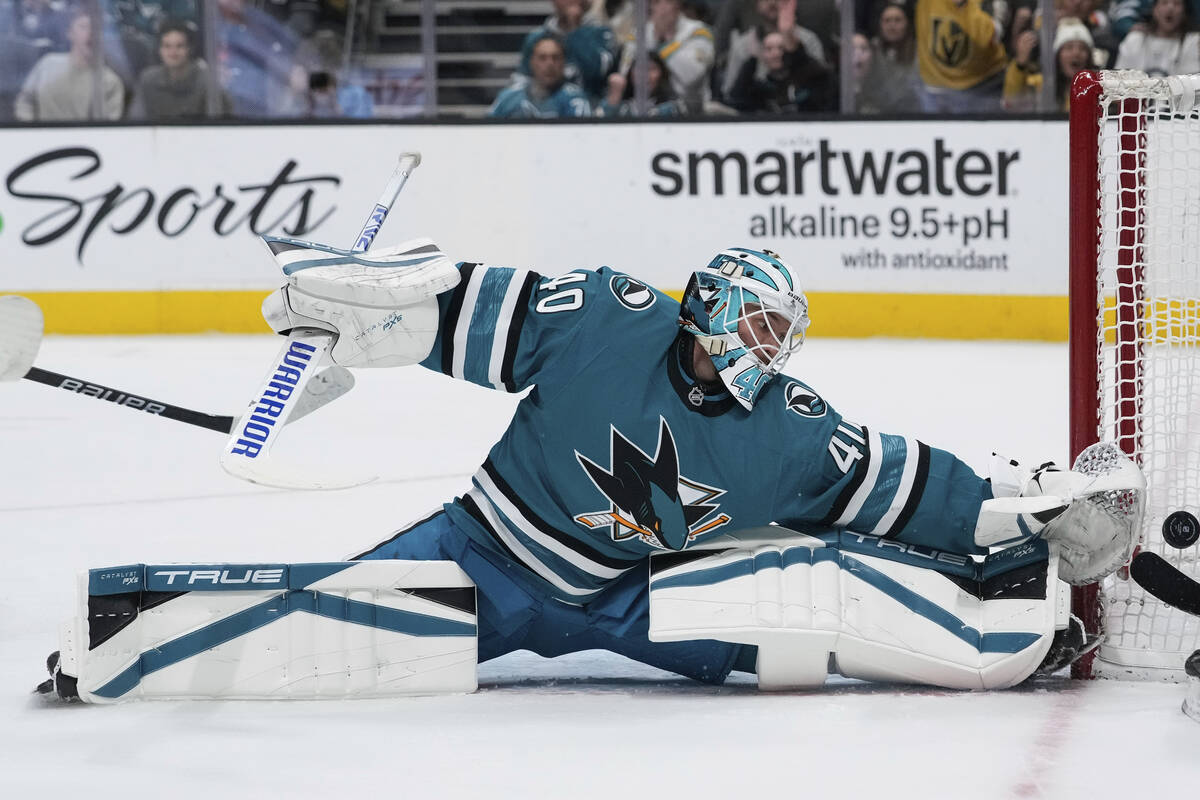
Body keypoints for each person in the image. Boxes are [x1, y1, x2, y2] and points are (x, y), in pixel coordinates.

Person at [35, 240, 1145, 701]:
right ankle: (125, 643)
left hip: (639, 603)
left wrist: (1009, 513)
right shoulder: (608, 318)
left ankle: (1008, 603)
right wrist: (363, 317)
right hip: (483, 550)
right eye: (758, 328)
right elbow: (452, 308)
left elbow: (900, 487)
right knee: (334, 618)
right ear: (707, 309)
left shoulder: (796, 430)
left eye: (780, 338)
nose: (772, 354)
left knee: (825, 610)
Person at [13, 6, 123, 121]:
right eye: (84, 27)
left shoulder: (110, 82)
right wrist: (32, 131)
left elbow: (109, 129)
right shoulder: (47, 64)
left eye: (96, 28)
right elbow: (25, 102)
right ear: (70, 33)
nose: (91, 33)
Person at [914, 0, 1009, 113]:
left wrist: (963, 5)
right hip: (935, 87)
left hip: (983, 86)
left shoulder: (992, 3)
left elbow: (987, 38)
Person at [621, 0, 715, 113]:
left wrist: (666, 40)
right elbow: (625, 72)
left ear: (678, 5)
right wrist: (657, 37)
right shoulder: (638, 33)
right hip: (644, 107)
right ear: (651, 5)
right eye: (657, 2)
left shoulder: (699, 31)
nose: (663, 7)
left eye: (668, 2)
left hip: (690, 109)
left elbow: (692, 75)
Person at [517, 0, 618, 103]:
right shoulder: (537, 38)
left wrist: (575, 27)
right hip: (547, 110)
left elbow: (597, 72)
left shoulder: (601, 34)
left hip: (591, 110)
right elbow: (523, 80)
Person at [130, 20, 231, 120]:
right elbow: (135, 120)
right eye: (167, 46)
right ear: (160, 50)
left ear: (190, 49)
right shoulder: (148, 80)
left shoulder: (207, 81)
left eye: (180, 46)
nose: (173, 52)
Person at [725, 28, 835, 112]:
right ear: (762, 55)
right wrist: (752, 60)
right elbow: (736, 99)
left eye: (781, 48)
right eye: (769, 49)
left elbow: (824, 80)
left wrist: (798, 54)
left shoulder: (805, 83)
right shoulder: (759, 89)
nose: (775, 54)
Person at [490, 32, 593, 118]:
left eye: (555, 58)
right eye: (542, 58)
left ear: (563, 63)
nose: (550, 64)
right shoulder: (509, 97)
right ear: (532, 62)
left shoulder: (576, 100)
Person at [1003, 16, 1094, 110]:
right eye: (1069, 48)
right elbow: (1011, 100)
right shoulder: (1042, 85)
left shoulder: (1099, 89)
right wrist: (1020, 65)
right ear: (1057, 56)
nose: (1076, 53)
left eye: (1083, 48)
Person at [1114, 0, 1200, 75]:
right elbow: (1119, 76)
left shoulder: (1193, 41)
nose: (1170, 8)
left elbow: (1192, 83)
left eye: (1177, 4)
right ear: (1154, 10)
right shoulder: (1135, 39)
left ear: (1184, 12)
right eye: (1164, 3)